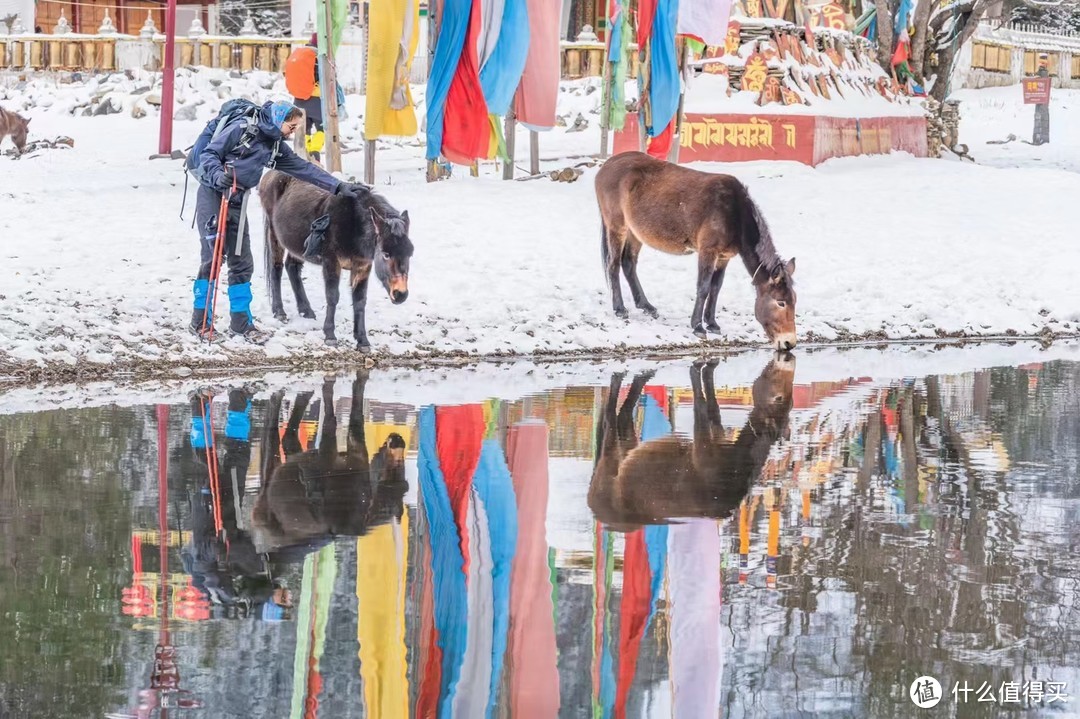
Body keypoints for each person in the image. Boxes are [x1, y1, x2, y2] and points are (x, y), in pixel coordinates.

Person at [191, 99, 360, 344]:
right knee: (213, 258)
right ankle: (200, 322)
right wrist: (218, 175)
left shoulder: (275, 146)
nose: (294, 132)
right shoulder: (241, 129)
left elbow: (303, 168)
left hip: (238, 199)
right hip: (214, 194)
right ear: (279, 120)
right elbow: (209, 154)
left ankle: (241, 322)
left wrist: (337, 186)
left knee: (242, 261)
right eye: (291, 127)